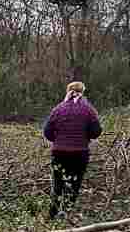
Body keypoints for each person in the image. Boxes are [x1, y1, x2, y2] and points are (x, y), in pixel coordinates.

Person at [43, 80, 101, 219]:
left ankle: (52, 214)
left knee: (58, 183)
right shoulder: (88, 109)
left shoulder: (58, 109)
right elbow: (96, 131)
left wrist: (58, 140)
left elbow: (47, 131)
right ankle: (66, 212)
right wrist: (86, 136)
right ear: (82, 92)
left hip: (59, 153)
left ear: (68, 91)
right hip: (80, 153)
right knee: (74, 184)